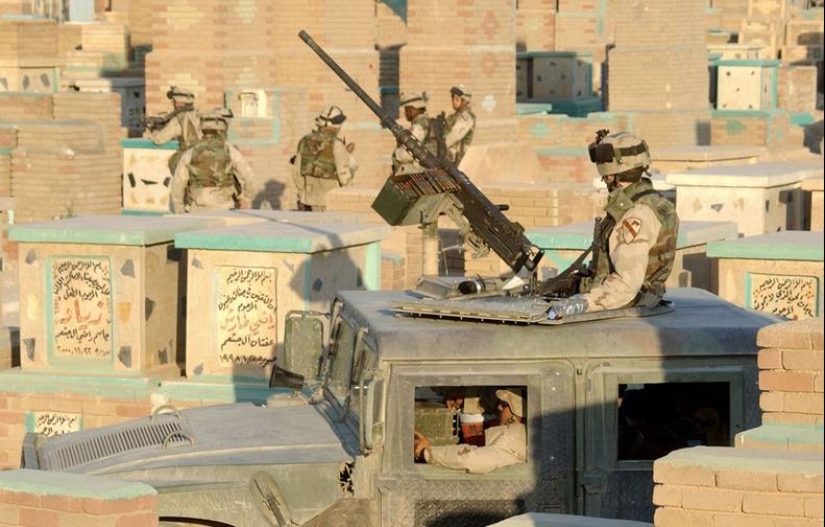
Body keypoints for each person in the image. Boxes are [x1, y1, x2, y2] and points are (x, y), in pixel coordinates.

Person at [545, 130, 680, 319]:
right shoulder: (650, 202)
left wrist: (581, 304)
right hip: (632, 301)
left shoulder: (637, 215)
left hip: (623, 308)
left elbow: (625, 285)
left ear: (611, 175)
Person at [413, 388, 527, 474]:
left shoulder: (512, 438)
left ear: (519, 413)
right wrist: (465, 398)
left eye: (505, 404)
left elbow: (469, 459)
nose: (499, 407)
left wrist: (426, 452)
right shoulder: (520, 433)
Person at [170, 108, 257, 214]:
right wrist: (246, 198)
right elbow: (250, 179)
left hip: (197, 211)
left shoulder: (190, 153)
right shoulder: (230, 151)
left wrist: (179, 212)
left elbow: (177, 187)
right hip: (226, 210)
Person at [291, 105, 357, 211]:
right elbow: (344, 177)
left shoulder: (305, 140)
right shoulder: (336, 144)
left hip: (308, 200)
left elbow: (297, 173)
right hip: (331, 202)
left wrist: (302, 194)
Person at [146, 86, 202, 174]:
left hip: (190, 160)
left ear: (179, 102)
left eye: (173, 101)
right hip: (203, 159)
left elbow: (159, 140)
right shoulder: (198, 114)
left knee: (173, 161)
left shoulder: (179, 118)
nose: (172, 103)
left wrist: (153, 130)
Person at [392, 91, 437, 175]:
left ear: (413, 108)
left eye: (407, 109)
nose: (405, 113)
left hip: (421, 169)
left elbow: (408, 153)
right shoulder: (428, 122)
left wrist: (396, 153)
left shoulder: (419, 126)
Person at [444, 85, 475, 165]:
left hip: (461, 161)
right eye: (453, 98)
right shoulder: (453, 117)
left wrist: (439, 146)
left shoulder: (467, 117)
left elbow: (455, 135)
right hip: (450, 158)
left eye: (457, 99)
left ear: (465, 101)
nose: (453, 101)